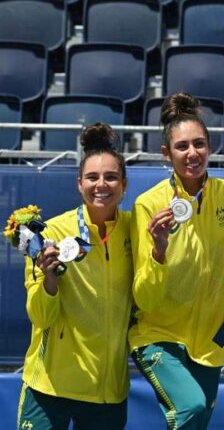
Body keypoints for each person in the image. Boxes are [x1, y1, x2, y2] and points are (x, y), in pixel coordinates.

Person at [130, 92, 224, 429]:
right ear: (167, 154)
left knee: (196, 422)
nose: (192, 153)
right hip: (159, 336)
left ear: (211, 147)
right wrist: (158, 249)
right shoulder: (148, 204)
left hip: (211, 341)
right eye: (182, 146)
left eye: (199, 144)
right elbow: (145, 296)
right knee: (191, 408)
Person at [16, 123, 133, 429]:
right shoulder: (50, 233)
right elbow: (39, 316)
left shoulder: (136, 232)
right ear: (79, 184)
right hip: (49, 386)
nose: (101, 185)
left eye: (111, 177)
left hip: (107, 390)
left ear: (124, 184)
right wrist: (50, 282)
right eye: (92, 177)